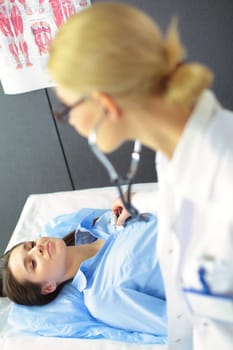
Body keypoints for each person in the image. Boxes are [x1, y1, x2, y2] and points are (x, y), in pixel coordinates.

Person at [47, 2, 233, 350]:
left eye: (66, 110)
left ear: (106, 103)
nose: (70, 122)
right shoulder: (174, 154)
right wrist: (143, 202)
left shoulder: (223, 175)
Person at [0, 208, 167, 339]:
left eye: (31, 245)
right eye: (33, 263)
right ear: (49, 287)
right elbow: (174, 322)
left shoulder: (100, 223)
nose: (38, 248)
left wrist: (137, 202)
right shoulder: (102, 297)